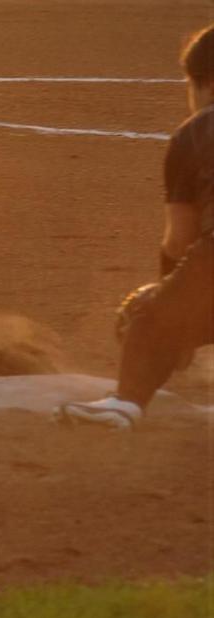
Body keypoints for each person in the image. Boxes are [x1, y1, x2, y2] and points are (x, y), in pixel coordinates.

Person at [54, 23, 214, 430]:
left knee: (147, 313)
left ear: (205, 83)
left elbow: (179, 243)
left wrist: (170, 315)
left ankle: (125, 404)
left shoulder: (197, 132)